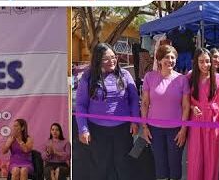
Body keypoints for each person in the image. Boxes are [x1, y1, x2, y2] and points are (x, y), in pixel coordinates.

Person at [75, 43, 139, 179]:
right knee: (100, 166)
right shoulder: (88, 77)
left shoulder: (125, 74)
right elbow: (81, 105)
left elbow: (134, 100)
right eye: (106, 58)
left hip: (123, 130)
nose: (112, 61)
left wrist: (135, 121)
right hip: (98, 131)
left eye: (113, 57)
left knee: (124, 165)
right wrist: (83, 129)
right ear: (98, 60)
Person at [140, 45, 189, 180]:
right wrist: (144, 127)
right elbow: (144, 103)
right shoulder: (149, 77)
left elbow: (186, 106)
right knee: (160, 165)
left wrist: (183, 130)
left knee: (175, 165)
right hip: (154, 129)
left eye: (173, 57)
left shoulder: (182, 79)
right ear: (160, 59)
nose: (170, 60)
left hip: (176, 130)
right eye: (167, 57)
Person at [187, 48, 219, 180]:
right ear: (196, 62)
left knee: (211, 157)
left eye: (207, 61)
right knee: (196, 156)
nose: (205, 65)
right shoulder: (190, 77)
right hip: (196, 121)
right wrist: (193, 107)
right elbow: (184, 99)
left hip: (213, 122)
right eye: (201, 62)